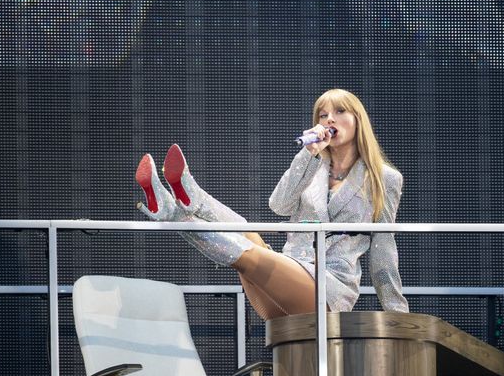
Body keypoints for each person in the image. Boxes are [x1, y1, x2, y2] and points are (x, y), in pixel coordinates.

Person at [135, 88, 408, 319]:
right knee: (245, 230)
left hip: (329, 289)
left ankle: (175, 208)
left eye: (339, 112)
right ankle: (180, 203)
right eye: (322, 115)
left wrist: (397, 316)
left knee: (250, 253)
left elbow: (384, 250)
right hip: (286, 276)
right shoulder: (312, 165)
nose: (329, 120)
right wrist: (308, 154)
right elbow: (279, 205)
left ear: (358, 119)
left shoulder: (384, 178)